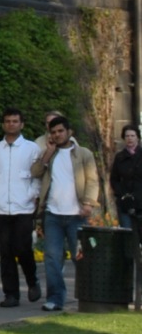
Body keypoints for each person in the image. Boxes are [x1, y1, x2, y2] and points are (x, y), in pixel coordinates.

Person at [31, 112, 99, 312]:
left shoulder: (83, 153)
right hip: (53, 214)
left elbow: (92, 180)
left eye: (61, 131)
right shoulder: (49, 153)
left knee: (80, 257)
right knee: (52, 258)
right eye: (53, 132)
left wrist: (88, 203)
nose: (57, 135)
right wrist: (47, 153)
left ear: (69, 132)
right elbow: (35, 172)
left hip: (76, 215)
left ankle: (89, 297)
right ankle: (55, 299)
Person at [0, 108, 41, 307]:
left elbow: (37, 176)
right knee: (6, 252)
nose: (11, 124)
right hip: (0, 209)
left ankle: (32, 280)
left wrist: (30, 195)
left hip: (23, 208)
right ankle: (11, 294)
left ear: (21, 124)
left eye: (15, 121)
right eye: (8, 121)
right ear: (3, 124)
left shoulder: (31, 148)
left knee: (23, 248)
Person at [109, 123, 142, 226]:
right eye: (127, 136)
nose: (130, 138)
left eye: (132, 136)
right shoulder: (119, 157)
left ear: (137, 137)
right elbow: (114, 179)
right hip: (125, 203)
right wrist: (120, 193)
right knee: (127, 233)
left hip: (140, 201)